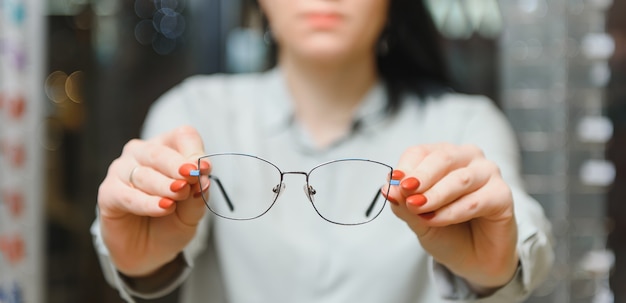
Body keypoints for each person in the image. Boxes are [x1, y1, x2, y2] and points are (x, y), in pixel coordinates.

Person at [92, 0, 554, 302]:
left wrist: (496, 268)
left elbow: (523, 233)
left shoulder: (463, 124)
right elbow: (151, 245)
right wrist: (144, 267)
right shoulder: (192, 113)